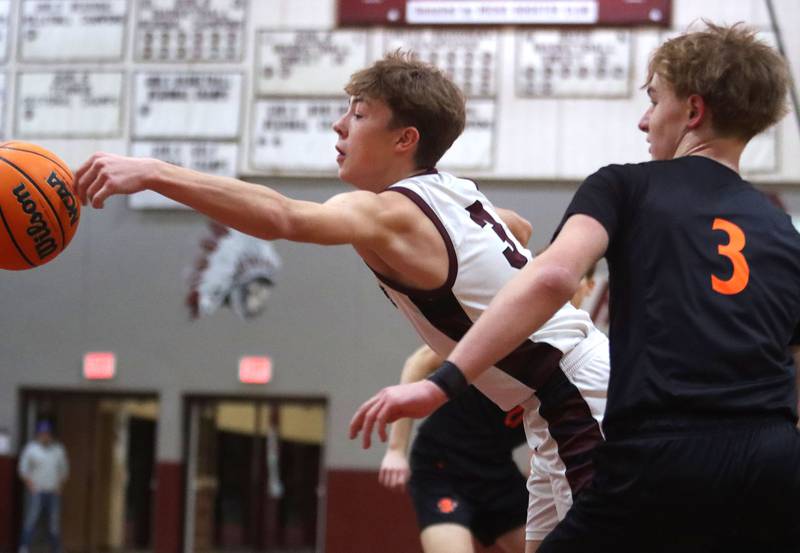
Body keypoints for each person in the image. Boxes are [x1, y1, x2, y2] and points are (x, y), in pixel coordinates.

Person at [73, 51, 610, 550]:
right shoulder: (455, 191)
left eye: (358, 113)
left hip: (575, 400)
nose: (339, 125)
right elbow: (518, 226)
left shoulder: (389, 212)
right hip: (558, 404)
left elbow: (283, 216)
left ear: (405, 139)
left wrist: (153, 172)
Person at [351, 23, 800, 552]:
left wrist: (443, 382)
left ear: (694, 112)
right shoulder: (782, 230)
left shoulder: (626, 186)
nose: (643, 119)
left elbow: (553, 276)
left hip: (662, 455)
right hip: (773, 462)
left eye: (654, 101)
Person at [379, 274, 597, 553]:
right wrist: (396, 449)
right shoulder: (514, 324)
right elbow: (417, 362)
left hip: (496, 469)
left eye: (575, 277)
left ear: (588, 286)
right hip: (443, 464)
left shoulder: (580, 349)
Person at [18, 421, 69, 553]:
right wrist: (30, 485)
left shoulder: (58, 449)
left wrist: (60, 486)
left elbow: (64, 470)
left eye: (47, 434)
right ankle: (24, 547)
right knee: (31, 520)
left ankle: (56, 549)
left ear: (51, 435)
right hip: (36, 491)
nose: (45, 436)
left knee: (54, 524)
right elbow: (23, 470)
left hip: (53, 491)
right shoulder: (31, 449)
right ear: (38, 435)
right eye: (42, 434)